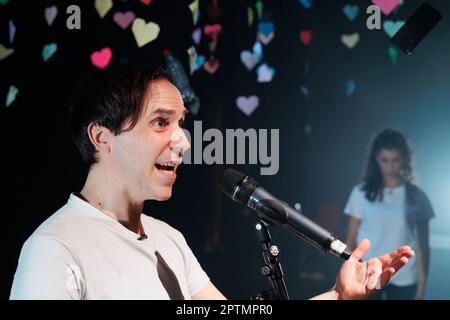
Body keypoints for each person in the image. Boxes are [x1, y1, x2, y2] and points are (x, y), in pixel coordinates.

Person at [10, 65, 414, 300]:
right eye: (160, 122)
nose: (183, 140)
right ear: (102, 137)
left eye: (181, 123)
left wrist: (339, 296)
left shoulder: (169, 240)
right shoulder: (54, 249)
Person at [344, 128, 434, 300]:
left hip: (405, 275)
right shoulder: (360, 193)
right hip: (370, 272)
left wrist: (422, 288)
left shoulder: (417, 196)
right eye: (384, 160)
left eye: (396, 160)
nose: (390, 167)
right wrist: (349, 275)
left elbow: (424, 247)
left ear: (405, 160)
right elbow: (351, 238)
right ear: (375, 159)